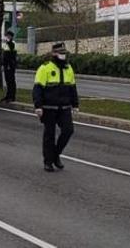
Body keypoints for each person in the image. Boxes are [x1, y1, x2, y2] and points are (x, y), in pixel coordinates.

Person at [33, 42, 79, 172]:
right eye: (60, 53)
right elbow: (37, 89)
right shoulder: (45, 68)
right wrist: (38, 106)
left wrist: (75, 104)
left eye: (64, 53)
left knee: (68, 130)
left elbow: (72, 88)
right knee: (49, 135)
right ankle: (48, 161)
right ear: (53, 54)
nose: (63, 56)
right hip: (49, 107)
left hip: (64, 107)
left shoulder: (68, 68)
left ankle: (55, 154)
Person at [1, 30, 17, 103]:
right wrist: (2, 65)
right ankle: (8, 95)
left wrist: (8, 41)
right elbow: (4, 55)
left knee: (11, 81)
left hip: (10, 65)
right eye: (6, 35)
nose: (7, 37)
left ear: (11, 36)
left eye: (8, 36)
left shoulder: (12, 43)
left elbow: (11, 52)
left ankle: (12, 96)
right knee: (8, 81)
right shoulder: (6, 44)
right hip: (6, 65)